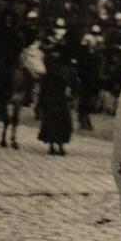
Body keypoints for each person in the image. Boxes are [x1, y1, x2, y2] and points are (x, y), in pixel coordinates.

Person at [38, 18, 76, 155]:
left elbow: (70, 65)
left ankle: (60, 143)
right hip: (51, 84)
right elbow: (44, 57)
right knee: (51, 114)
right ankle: (52, 144)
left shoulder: (65, 49)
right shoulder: (48, 45)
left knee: (62, 116)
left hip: (60, 84)